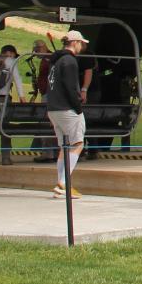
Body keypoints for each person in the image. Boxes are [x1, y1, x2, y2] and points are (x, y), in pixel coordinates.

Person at [45, 30, 90, 198]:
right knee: (77, 144)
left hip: (53, 108)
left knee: (64, 147)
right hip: (67, 109)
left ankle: (61, 185)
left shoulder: (55, 61)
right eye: (81, 43)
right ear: (75, 42)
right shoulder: (70, 61)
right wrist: (78, 108)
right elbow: (71, 88)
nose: (82, 46)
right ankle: (63, 183)